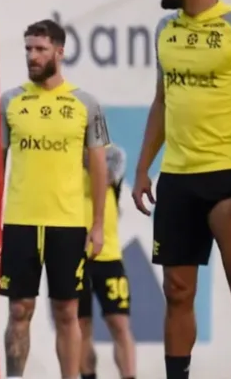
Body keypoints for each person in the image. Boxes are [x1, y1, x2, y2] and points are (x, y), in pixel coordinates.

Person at [131, 0, 231, 378]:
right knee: (177, 292)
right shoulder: (164, 29)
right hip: (176, 177)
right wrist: (143, 168)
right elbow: (161, 101)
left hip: (226, 175)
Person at [0, 19, 110, 379]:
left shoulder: (85, 103)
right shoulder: (10, 100)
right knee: (19, 310)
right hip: (21, 222)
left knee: (67, 313)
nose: (32, 56)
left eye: (39, 49)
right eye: (28, 49)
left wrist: (98, 225)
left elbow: (99, 169)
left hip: (68, 224)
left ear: (60, 51)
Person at [78, 143, 136, 379]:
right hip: (74, 256)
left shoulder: (112, 153)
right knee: (81, 328)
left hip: (109, 254)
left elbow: (104, 175)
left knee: (120, 324)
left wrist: (75, 151)